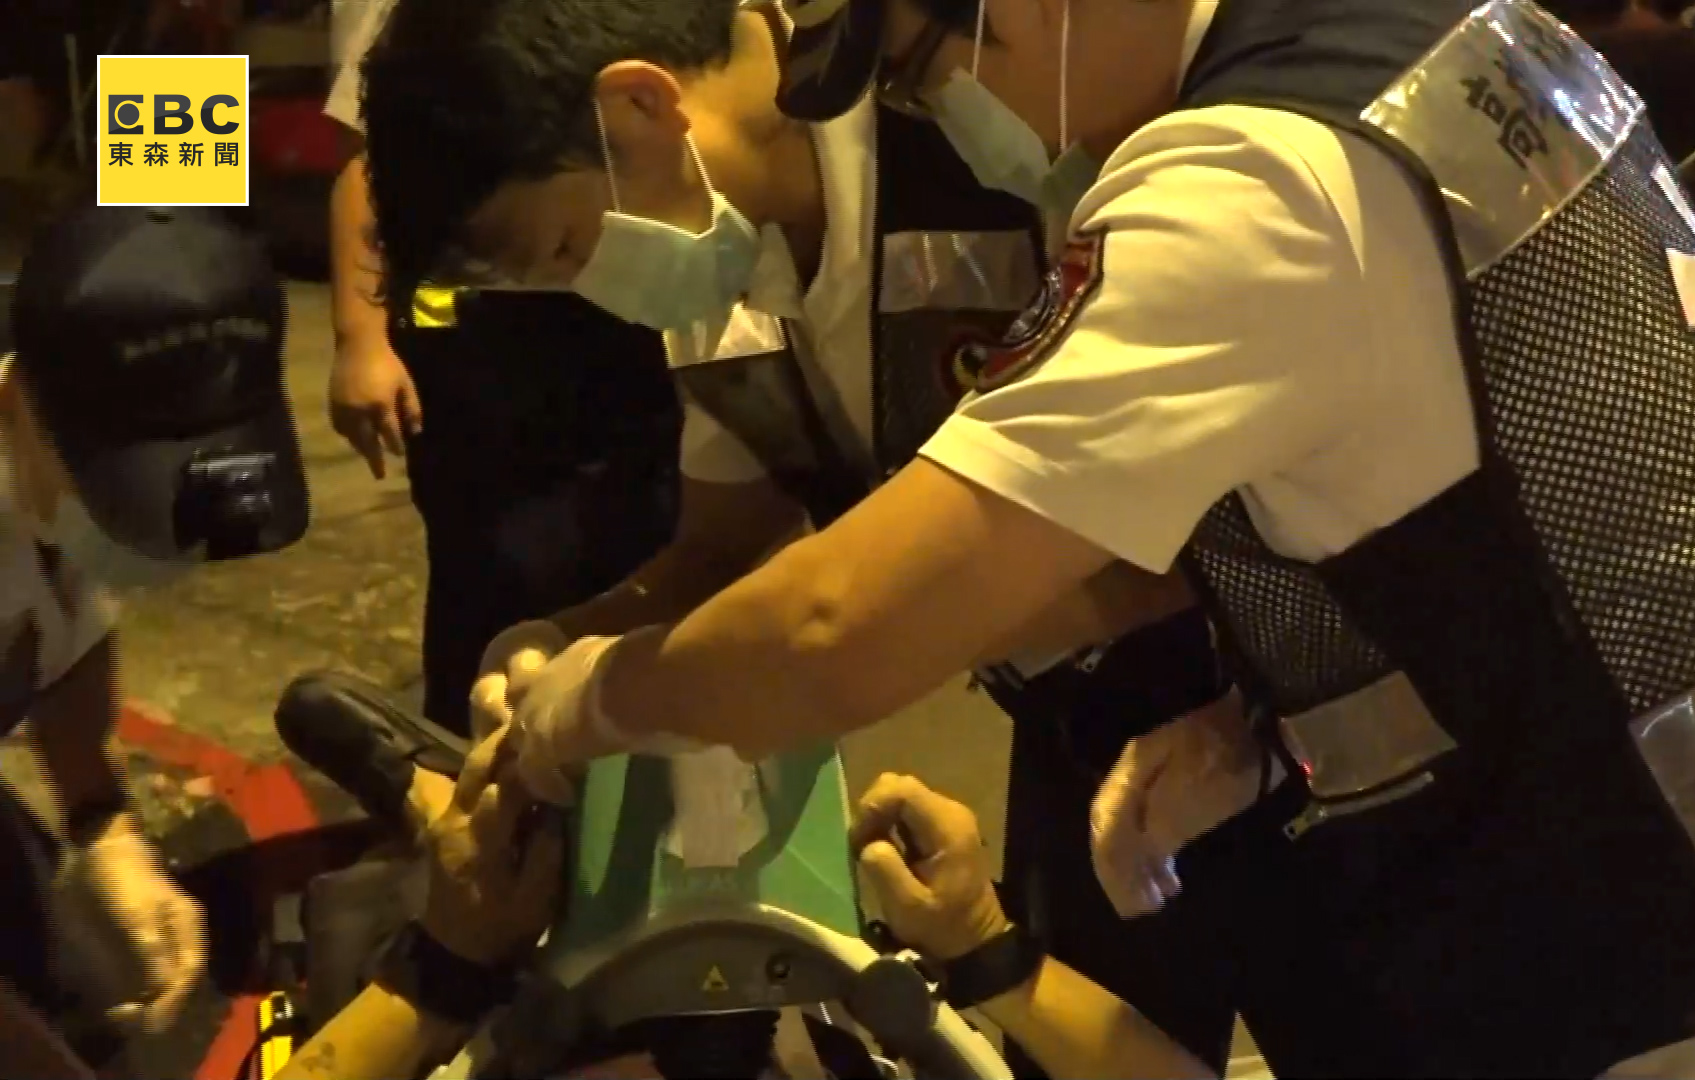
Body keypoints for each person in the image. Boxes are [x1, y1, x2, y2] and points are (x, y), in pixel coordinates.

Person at [477, 0, 1695, 1075]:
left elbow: (832, 630)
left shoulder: (1242, 178)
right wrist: (1257, 729)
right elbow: (1524, 492)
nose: (961, 116)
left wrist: (575, 709)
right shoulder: (1430, 42)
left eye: (937, 61)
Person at [354, 0, 1249, 1071]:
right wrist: (558, 643)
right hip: (1080, 722)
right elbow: (721, 550)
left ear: (638, 106)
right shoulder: (715, 272)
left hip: (1277, 676)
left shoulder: (990, 112)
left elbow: (853, 620)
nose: (598, 291)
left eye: (570, 246)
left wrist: (610, 697)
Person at [268, 717, 1214, 1080]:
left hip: (569, 1021)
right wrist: (986, 949)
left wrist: (445, 969)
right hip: (813, 1027)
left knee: (427, 878)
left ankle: (429, 791)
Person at [324, 0, 684, 740]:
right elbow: (370, 167)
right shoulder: (420, 27)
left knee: (648, 549)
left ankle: (623, 758)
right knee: (493, 572)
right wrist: (361, 338)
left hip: (626, 313)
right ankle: (469, 762)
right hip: (482, 333)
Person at [0, 205, 310, 1058]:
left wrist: (104, 823)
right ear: (14, 403)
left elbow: (60, 635)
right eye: (119, 495)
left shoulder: (45, 462)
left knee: (74, 990)